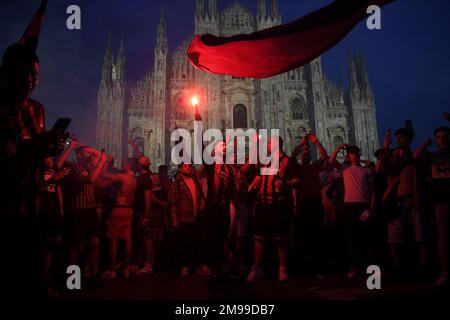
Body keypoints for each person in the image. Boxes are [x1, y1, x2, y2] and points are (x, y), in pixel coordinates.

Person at [246, 136, 299, 282]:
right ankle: (256, 268)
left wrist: (286, 183)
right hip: (263, 204)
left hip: (279, 205)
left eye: (269, 144)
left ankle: (282, 268)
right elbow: (259, 176)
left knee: (281, 237)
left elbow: (296, 179)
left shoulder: (288, 161)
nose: (267, 146)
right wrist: (253, 185)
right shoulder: (266, 160)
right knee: (259, 237)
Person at [380, 127, 426, 276]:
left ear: (409, 139)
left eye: (401, 137)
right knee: (395, 236)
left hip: (411, 199)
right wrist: (385, 146)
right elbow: (383, 168)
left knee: (418, 235)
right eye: (396, 138)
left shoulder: (414, 157)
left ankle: (422, 266)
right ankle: (398, 266)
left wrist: (417, 199)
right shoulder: (394, 157)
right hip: (396, 201)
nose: (397, 140)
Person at [61, 145, 107, 286]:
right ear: (79, 155)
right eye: (87, 153)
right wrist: (99, 161)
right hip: (78, 211)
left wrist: (92, 152)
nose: (90, 155)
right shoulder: (76, 167)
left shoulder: (89, 167)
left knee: (94, 243)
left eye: (90, 153)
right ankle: (72, 280)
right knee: (76, 246)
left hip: (90, 210)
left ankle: (94, 275)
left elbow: (100, 155)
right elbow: (90, 180)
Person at [329, 144, 376, 278]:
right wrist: (339, 147)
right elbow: (331, 161)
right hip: (349, 206)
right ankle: (353, 266)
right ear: (348, 156)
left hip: (363, 206)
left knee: (367, 238)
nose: (354, 155)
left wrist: (371, 208)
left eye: (356, 153)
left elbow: (373, 192)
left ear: (359, 155)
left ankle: (371, 267)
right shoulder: (345, 168)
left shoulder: (366, 171)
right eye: (351, 153)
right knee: (351, 238)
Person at [414, 126, 450, 286]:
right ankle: (444, 271)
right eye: (439, 137)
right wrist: (426, 143)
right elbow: (416, 155)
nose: (442, 139)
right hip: (441, 199)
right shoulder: (433, 155)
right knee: (442, 238)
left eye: (445, 136)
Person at [291, 133, 328, 277]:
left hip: (315, 203)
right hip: (303, 203)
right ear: (301, 157)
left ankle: (318, 266)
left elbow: (324, 156)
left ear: (311, 157)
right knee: (302, 236)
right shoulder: (297, 168)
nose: (305, 154)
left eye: (307, 153)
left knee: (317, 235)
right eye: (303, 153)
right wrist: (301, 144)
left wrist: (316, 142)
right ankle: (303, 267)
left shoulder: (315, 167)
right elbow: (292, 157)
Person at [101, 158, 137, 279]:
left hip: (118, 209)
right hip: (129, 209)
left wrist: (105, 162)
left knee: (114, 239)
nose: (122, 165)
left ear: (128, 165)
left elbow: (102, 175)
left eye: (124, 163)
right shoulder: (134, 180)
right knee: (128, 240)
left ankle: (112, 270)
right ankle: (126, 268)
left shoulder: (123, 177)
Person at [39, 156, 69, 295]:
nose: (52, 159)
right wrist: (53, 179)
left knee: (51, 249)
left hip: (54, 216)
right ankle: (43, 283)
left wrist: (61, 211)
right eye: (49, 157)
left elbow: (58, 192)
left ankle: (50, 278)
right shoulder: (38, 172)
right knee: (43, 249)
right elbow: (36, 189)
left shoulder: (53, 172)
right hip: (42, 215)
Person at [168, 163, 206, 276]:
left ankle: (195, 266)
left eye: (189, 166)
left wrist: (201, 206)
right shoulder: (177, 184)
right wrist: (174, 219)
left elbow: (200, 197)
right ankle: (183, 266)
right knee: (183, 244)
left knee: (196, 242)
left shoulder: (195, 182)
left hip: (195, 217)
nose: (188, 168)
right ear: (180, 169)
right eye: (185, 166)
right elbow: (172, 203)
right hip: (183, 218)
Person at [132, 155, 154, 273]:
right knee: (142, 237)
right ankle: (142, 262)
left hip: (142, 213)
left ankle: (148, 264)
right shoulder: (142, 177)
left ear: (140, 166)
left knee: (146, 237)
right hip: (139, 212)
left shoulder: (145, 178)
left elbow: (147, 198)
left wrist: (146, 215)